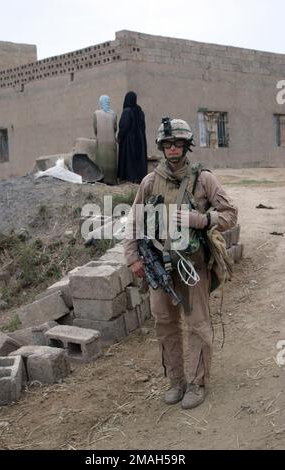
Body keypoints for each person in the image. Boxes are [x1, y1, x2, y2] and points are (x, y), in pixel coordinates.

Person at [124, 117, 238, 409]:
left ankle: (198, 383)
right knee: (164, 323)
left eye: (177, 143)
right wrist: (133, 257)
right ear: (161, 147)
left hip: (192, 266)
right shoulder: (150, 182)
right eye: (167, 144)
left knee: (198, 324)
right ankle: (176, 381)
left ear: (187, 145)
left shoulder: (204, 179)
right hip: (159, 268)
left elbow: (230, 214)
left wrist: (200, 219)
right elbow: (134, 222)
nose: (172, 148)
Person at [117, 91, 148, 183]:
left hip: (129, 141)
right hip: (140, 140)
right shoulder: (140, 112)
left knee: (129, 159)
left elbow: (124, 126)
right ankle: (138, 178)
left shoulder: (127, 111)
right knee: (139, 159)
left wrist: (120, 137)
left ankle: (129, 178)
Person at [93, 95, 117, 185]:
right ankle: (112, 180)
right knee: (112, 162)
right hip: (112, 143)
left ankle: (101, 179)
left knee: (101, 161)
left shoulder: (96, 113)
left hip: (101, 143)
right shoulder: (114, 114)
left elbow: (95, 129)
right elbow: (115, 128)